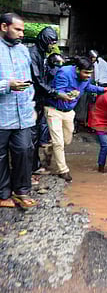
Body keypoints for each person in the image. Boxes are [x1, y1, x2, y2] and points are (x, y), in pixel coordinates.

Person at [45, 56, 107, 182]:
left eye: (90, 74)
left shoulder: (86, 78)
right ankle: (63, 170)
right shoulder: (64, 72)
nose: (88, 76)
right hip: (54, 110)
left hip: (69, 112)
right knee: (59, 142)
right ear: (77, 69)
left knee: (66, 140)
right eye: (85, 73)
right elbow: (58, 91)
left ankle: (49, 149)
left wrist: (103, 90)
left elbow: (88, 87)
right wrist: (65, 96)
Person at [0, 12, 37, 208]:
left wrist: (32, 107)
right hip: (2, 115)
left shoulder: (23, 51)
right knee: (0, 156)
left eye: (23, 30)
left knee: (24, 150)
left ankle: (21, 191)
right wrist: (7, 85)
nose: (22, 34)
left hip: (23, 114)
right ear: (4, 27)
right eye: (18, 29)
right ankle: (3, 194)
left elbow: (29, 82)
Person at [29, 26, 62, 178]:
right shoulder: (33, 54)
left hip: (39, 99)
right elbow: (37, 80)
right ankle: (30, 168)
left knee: (34, 135)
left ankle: (33, 166)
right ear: (44, 41)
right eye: (51, 43)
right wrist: (55, 93)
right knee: (31, 136)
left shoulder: (41, 54)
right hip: (32, 100)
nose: (52, 46)